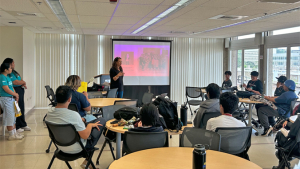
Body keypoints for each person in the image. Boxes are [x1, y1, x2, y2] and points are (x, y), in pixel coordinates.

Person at [45, 86, 105, 169]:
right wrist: (90, 125)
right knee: (101, 121)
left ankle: (87, 162)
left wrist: (81, 120)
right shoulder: (73, 114)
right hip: (77, 149)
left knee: (87, 122)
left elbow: (62, 118)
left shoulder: (49, 112)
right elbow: (85, 136)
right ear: (69, 99)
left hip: (60, 146)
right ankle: (87, 160)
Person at [2, 58, 31, 133]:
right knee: (16, 110)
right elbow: (15, 82)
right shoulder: (6, 75)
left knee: (21, 108)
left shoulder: (14, 72)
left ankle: (22, 124)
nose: (14, 64)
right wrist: (22, 82)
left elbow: (19, 79)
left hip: (17, 92)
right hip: (12, 93)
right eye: (13, 63)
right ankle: (16, 127)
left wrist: (22, 82)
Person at [0, 62, 24, 140]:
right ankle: (11, 135)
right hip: (6, 99)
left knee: (13, 117)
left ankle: (14, 133)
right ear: (5, 69)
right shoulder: (2, 77)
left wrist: (15, 95)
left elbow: (11, 87)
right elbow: (6, 88)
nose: (11, 69)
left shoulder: (7, 77)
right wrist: (15, 94)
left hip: (11, 98)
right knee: (9, 117)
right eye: (10, 68)